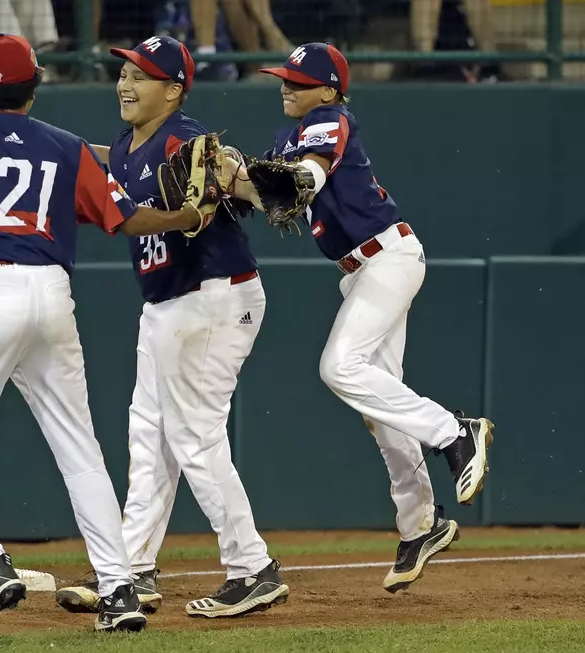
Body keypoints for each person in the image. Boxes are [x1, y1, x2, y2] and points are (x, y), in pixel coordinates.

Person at [0, 34, 220, 633]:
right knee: (79, 448)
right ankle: (118, 591)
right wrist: (189, 216)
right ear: (34, 89)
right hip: (53, 295)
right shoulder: (67, 146)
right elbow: (126, 219)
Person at [53, 35, 288, 620]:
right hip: (167, 305)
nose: (125, 83)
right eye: (124, 72)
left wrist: (243, 180)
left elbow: (235, 178)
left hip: (211, 297)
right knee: (149, 436)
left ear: (174, 90)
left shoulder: (188, 139)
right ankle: (132, 569)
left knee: (194, 436)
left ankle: (251, 568)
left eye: (141, 75)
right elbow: (109, 159)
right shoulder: (133, 146)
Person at [251, 42, 494, 592]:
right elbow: (267, 188)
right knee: (378, 404)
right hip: (360, 270)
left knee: (338, 367)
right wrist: (228, 179)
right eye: (282, 78)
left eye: (296, 79)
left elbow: (311, 172)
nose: (284, 86)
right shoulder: (285, 136)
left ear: (329, 88)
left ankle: (455, 432)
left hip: (389, 257)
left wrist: (291, 180)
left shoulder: (330, 118)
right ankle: (421, 526)